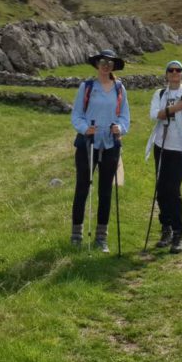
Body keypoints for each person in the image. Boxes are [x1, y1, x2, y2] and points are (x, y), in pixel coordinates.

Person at [70, 48, 130, 253]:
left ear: (114, 67)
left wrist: (119, 128)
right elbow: (77, 115)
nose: (106, 66)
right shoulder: (86, 87)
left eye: (110, 63)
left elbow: (124, 117)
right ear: (97, 64)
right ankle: (76, 235)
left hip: (110, 144)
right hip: (87, 144)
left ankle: (101, 238)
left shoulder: (120, 89)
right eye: (103, 62)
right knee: (82, 188)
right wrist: (85, 128)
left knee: (105, 192)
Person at [145, 60, 182, 254]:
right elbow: (155, 115)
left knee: (173, 189)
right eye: (170, 70)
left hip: (180, 148)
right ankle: (166, 229)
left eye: (178, 70)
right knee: (161, 189)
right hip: (161, 146)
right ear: (166, 74)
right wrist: (176, 108)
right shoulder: (160, 94)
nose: (174, 73)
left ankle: (178, 232)